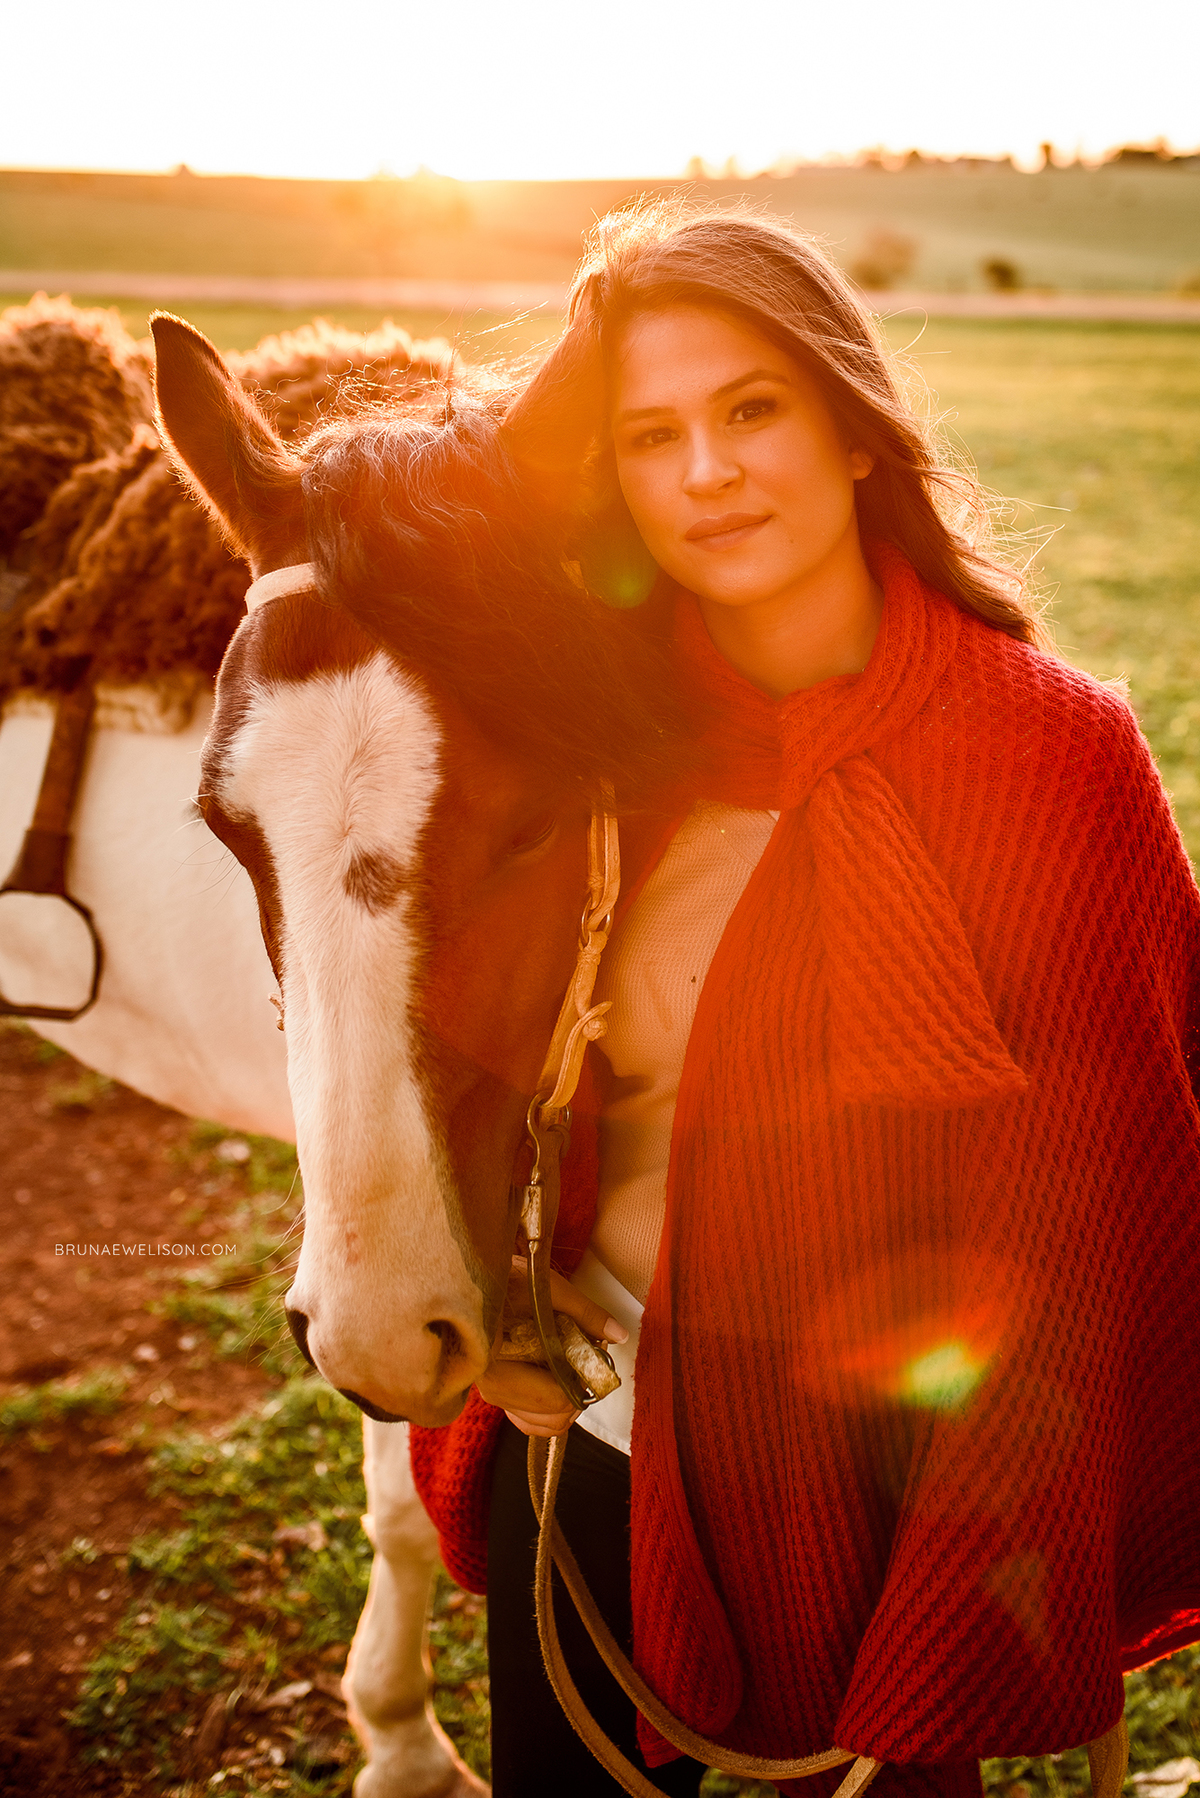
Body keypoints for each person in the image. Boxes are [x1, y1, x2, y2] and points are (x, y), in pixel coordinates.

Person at [409, 203, 1200, 1798]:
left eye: (751, 407)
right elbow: (454, 1069)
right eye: (652, 434)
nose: (706, 470)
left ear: (851, 428)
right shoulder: (588, 752)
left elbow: (1103, 1203)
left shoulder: (1053, 750)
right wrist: (484, 1303)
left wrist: (969, 1562)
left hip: (895, 1489)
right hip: (592, 1452)